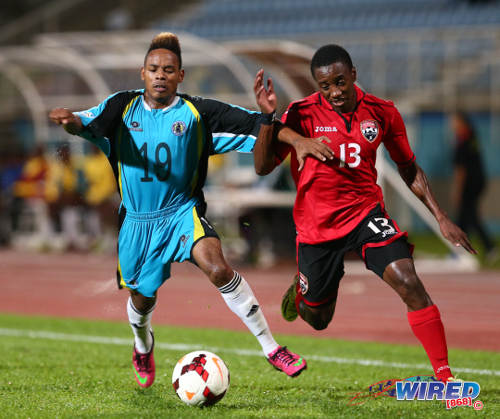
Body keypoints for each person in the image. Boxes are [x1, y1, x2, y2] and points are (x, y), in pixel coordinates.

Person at [49, 32, 307, 388]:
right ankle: (143, 345)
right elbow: (86, 123)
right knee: (142, 300)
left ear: (180, 76)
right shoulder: (121, 108)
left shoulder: (198, 113)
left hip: (181, 212)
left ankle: (272, 348)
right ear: (142, 73)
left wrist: (294, 136)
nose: (160, 75)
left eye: (168, 70)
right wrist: (69, 120)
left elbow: (258, 127)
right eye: (154, 69)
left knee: (218, 268)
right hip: (138, 223)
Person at [253, 44, 476, 382]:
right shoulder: (301, 113)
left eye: (340, 82)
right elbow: (261, 167)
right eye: (325, 86)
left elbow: (409, 168)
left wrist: (440, 215)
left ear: (353, 75)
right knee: (317, 319)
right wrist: (268, 119)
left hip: (364, 214)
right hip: (317, 226)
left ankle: (445, 379)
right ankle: (302, 292)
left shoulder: (383, 112)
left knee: (408, 280)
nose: (334, 92)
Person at [450, 111, 497, 261]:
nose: (452, 125)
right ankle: (462, 250)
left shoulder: (463, 140)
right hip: (478, 181)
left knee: (469, 216)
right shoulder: (472, 137)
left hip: (470, 183)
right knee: (466, 217)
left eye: (454, 121)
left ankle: (486, 247)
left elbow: (461, 169)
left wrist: (458, 190)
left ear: (461, 122)